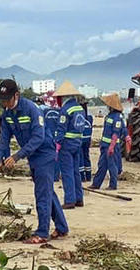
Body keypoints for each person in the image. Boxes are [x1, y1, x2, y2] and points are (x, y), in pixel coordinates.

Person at [0, 79, 69, 244]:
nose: (5, 103)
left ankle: (42, 233)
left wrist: (16, 156)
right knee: (47, 190)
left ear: (16, 95)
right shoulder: (7, 114)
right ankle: (62, 228)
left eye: (8, 99)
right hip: (32, 156)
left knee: (42, 193)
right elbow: (4, 139)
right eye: (3, 100)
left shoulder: (32, 109)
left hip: (45, 153)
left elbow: (38, 138)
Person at [53, 81, 86, 209]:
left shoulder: (65, 110)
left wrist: (57, 144)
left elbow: (61, 128)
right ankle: (79, 198)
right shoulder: (80, 109)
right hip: (78, 143)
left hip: (66, 144)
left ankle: (69, 200)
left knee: (67, 172)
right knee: (76, 171)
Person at [90, 93, 126, 190]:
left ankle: (113, 185)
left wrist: (111, 146)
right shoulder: (110, 116)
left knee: (112, 166)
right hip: (105, 145)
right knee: (102, 165)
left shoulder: (117, 117)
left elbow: (117, 132)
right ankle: (96, 184)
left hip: (111, 146)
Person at [80, 102, 93, 182]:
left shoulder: (79, 116)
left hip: (80, 139)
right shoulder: (90, 117)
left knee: (80, 158)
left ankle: (81, 177)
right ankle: (88, 176)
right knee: (86, 157)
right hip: (87, 139)